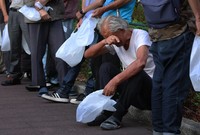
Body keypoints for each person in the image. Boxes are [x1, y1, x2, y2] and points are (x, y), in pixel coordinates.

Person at [140, 0, 200, 135]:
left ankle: (158, 130)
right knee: (174, 86)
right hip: (178, 31)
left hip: (156, 33)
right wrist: (198, 17)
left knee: (159, 84)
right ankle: (170, 131)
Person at [84, 16, 155, 130]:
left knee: (137, 72)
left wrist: (115, 81)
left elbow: (140, 62)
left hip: (150, 94)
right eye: (107, 37)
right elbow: (88, 54)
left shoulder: (140, 35)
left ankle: (117, 116)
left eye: (110, 36)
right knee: (106, 67)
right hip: (132, 93)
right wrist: (104, 41)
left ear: (121, 30)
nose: (110, 39)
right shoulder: (116, 42)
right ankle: (107, 111)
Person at [69, 0, 137, 104]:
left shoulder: (136, 35)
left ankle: (109, 100)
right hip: (105, 25)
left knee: (108, 65)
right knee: (96, 64)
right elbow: (87, 55)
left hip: (117, 27)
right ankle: (98, 96)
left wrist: (103, 9)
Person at [41, 0, 104, 103]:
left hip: (98, 22)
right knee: (77, 57)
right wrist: (83, 17)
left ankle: (87, 92)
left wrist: (83, 12)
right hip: (88, 21)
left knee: (93, 60)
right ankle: (64, 91)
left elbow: (100, 2)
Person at [26, 0, 69, 96]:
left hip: (55, 15)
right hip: (34, 16)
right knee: (36, 53)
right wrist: (39, 8)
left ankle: (65, 86)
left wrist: (40, 4)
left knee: (60, 52)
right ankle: (40, 84)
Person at [1, 0, 31, 86]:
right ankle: (14, 74)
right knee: (14, 44)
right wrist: (5, 14)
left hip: (27, 10)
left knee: (31, 43)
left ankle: (36, 73)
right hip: (13, 11)